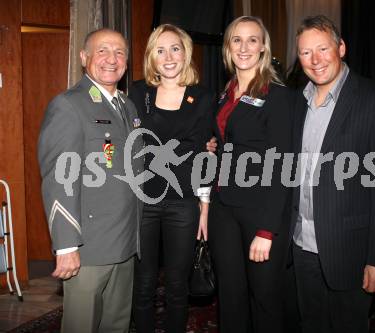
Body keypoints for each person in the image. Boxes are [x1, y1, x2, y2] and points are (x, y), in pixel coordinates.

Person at [289, 15, 375, 332]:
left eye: (323, 48)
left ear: (341, 47)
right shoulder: (295, 103)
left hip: (350, 251)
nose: (315, 60)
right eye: (305, 52)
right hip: (301, 247)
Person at [38, 28, 144, 333]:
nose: (112, 59)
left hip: (124, 242)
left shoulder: (127, 106)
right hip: (89, 247)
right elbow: (60, 178)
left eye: (120, 52)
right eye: (102, 51)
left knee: (116, 325)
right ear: (84, 58)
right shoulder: (69, 105)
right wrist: (66, 245)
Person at [208, 16, 293, 333]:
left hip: (261, 212)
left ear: (263, 48)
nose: (244, 47)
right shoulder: (225, 92)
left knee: (265, 299)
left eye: (252, 40)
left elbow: (284, 165)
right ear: (228, 47)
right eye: (236, 40)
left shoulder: (280, 96)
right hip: (224, 207)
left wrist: (267, 230)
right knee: (230, 297)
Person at [128, 24, 215, 333]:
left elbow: (207, 154)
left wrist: (205, 205)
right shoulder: (137, 93)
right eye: (160, 50)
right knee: (144, 283)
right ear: (152, 56)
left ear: (186, 54)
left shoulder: (203, 97)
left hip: (184, 202)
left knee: (178, 285)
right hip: (142, 201)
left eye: (175, 48)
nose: (168, 56)